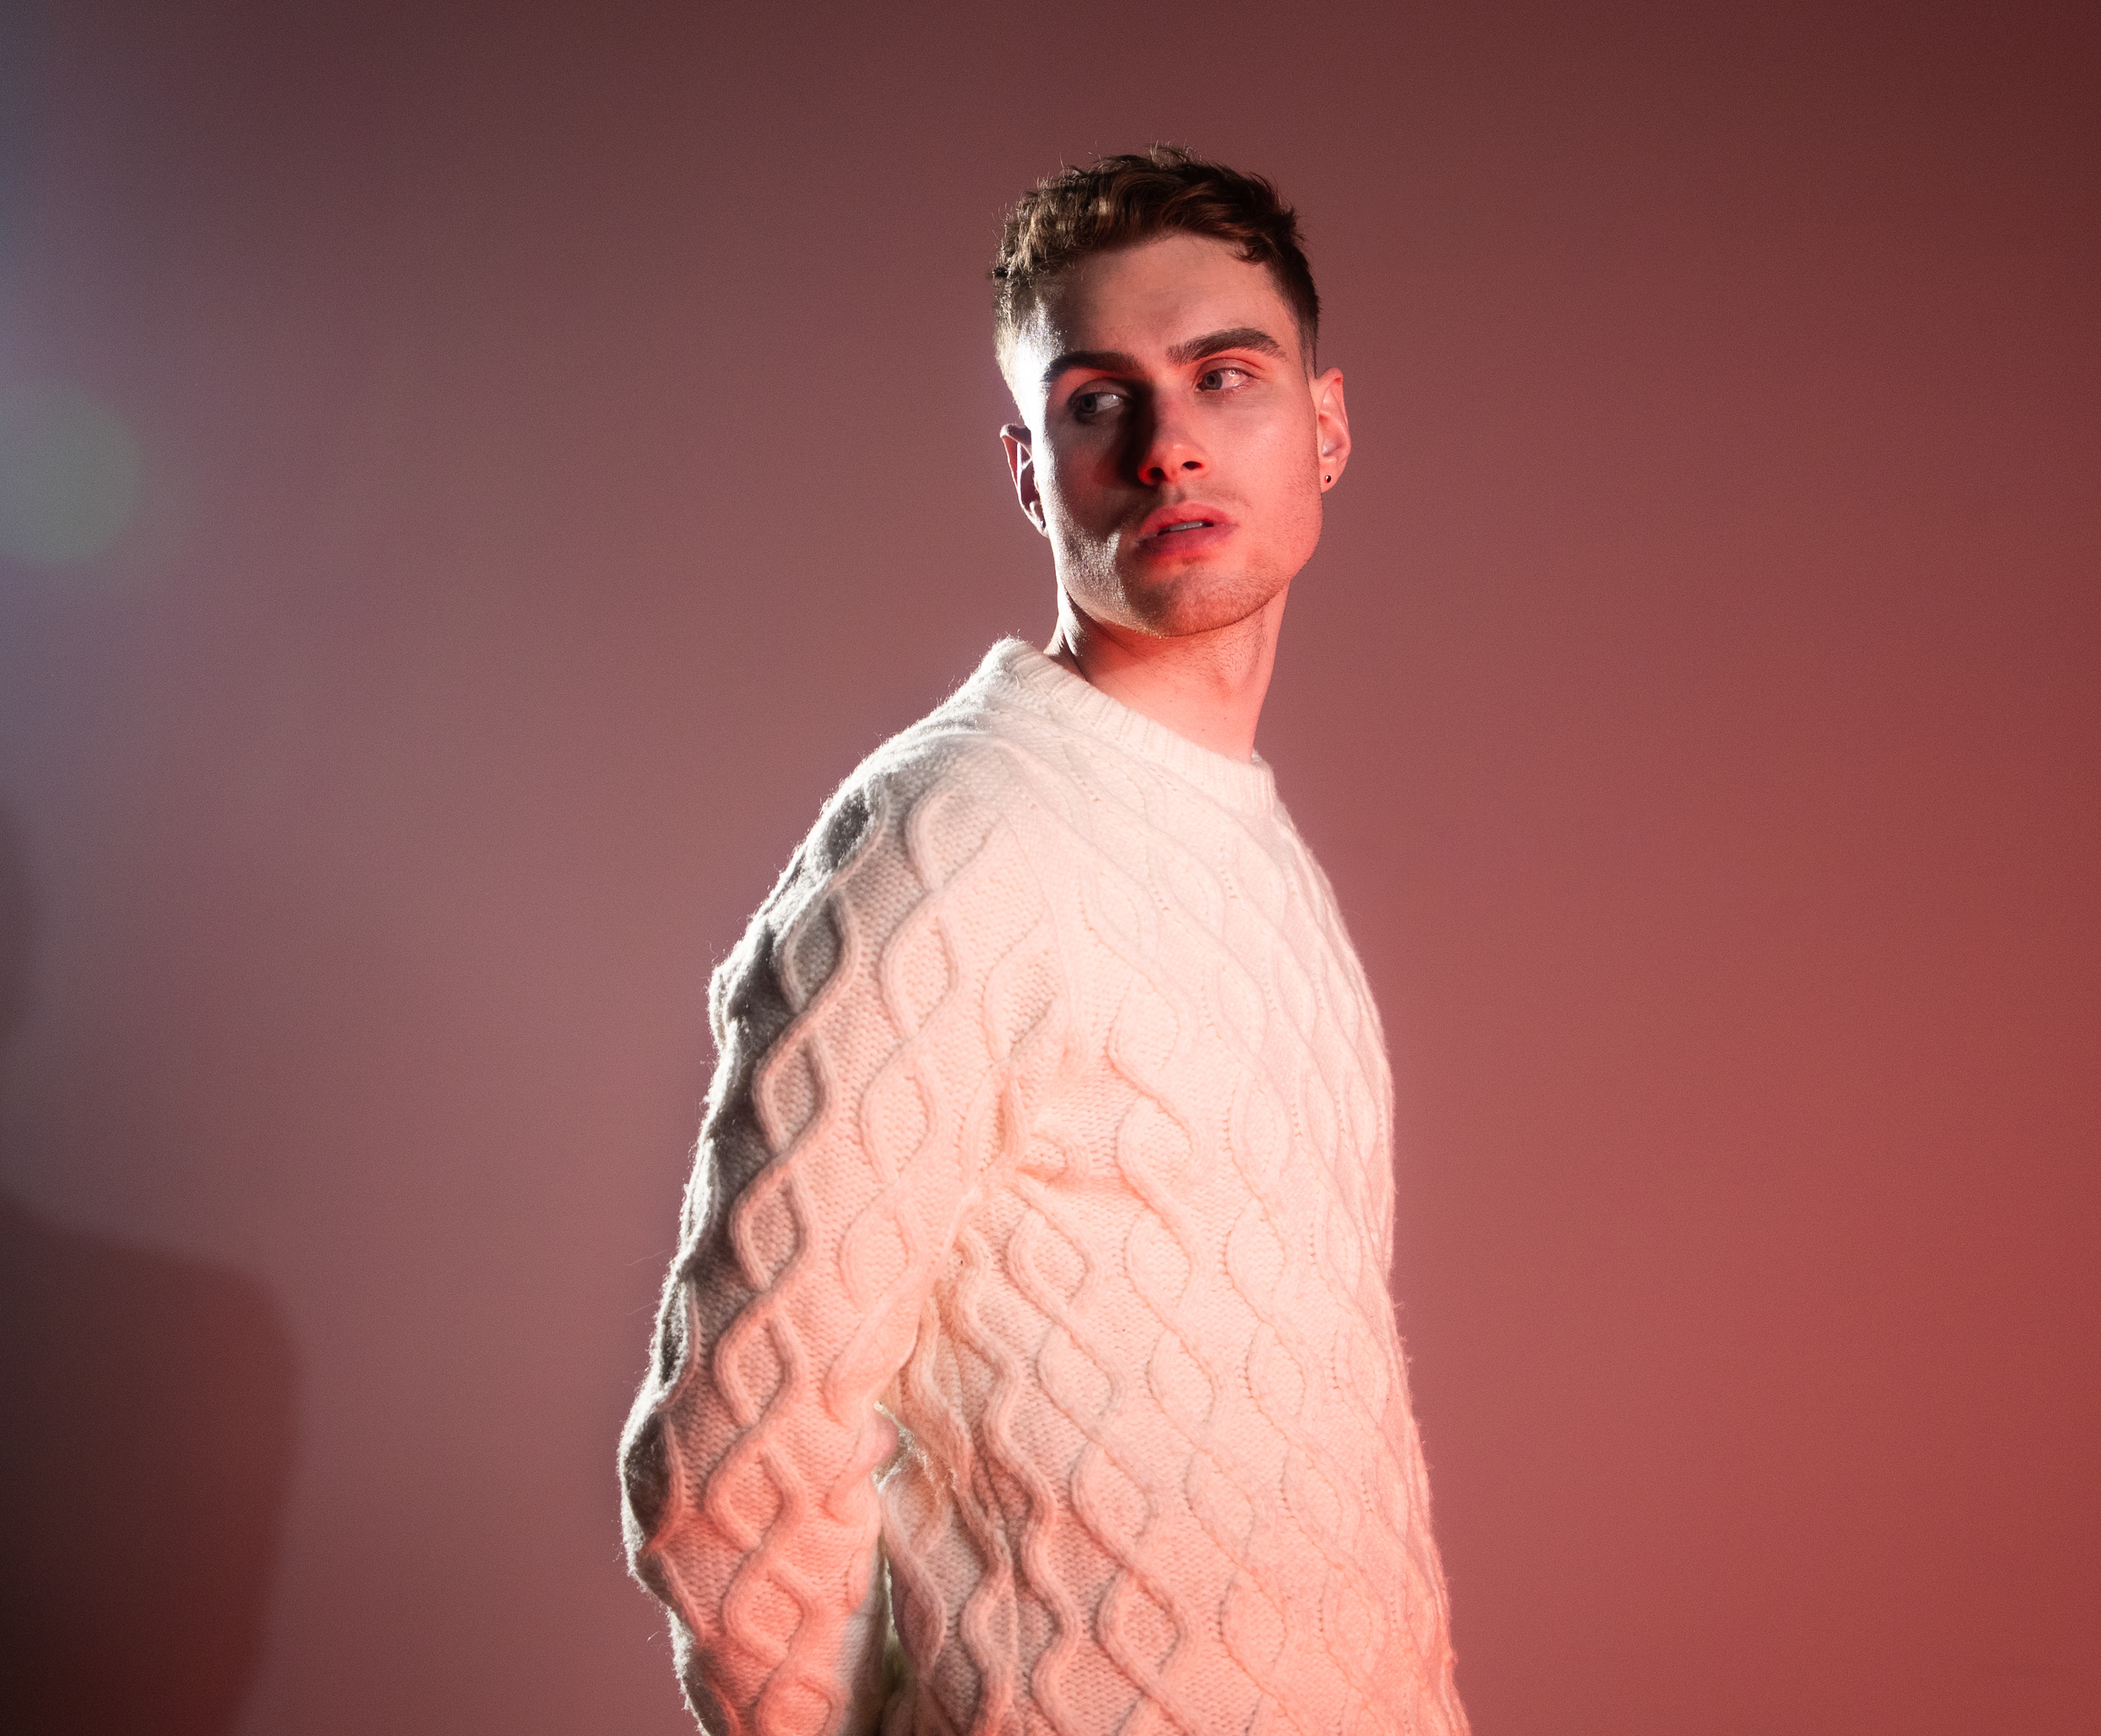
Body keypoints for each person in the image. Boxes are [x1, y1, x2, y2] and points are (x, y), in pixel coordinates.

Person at [620, 146, 1469, 1736]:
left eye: (1226, 377)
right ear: (1030, 469)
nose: (1168, 444)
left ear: (1327, 426)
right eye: (1097, 401)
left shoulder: (1252, 844)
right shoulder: (956, 833)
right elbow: (729, 1467)